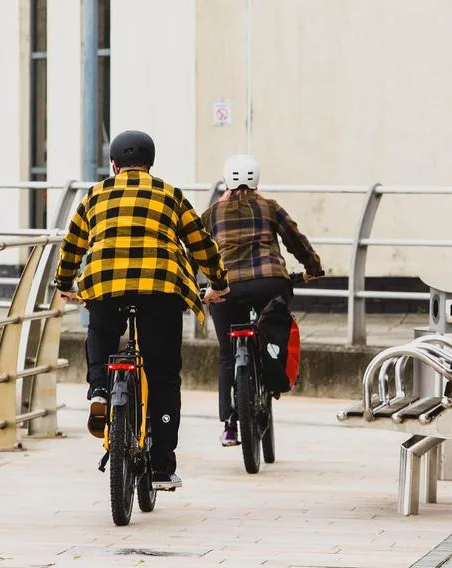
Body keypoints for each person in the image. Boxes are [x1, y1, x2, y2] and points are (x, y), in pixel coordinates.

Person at [55, 130, 230, 490]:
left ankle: (100, 390)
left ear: (113, 165)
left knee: (101, 333)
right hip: (161, 286)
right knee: (164, 373)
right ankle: (163, 466)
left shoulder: (95, 195)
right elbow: (201, 244)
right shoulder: (169, 193)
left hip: (105, 282)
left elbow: (72, 245)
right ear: (150, 164)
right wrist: (219, 281)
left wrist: (65, 284)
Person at [201, 154, 324, 447]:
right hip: (270, 281)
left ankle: (230, 424)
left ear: (225, 180)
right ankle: (271, 380)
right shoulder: (270, 207)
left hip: (227, 286)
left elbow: (198, 249)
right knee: (273, 333)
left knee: (227, 353)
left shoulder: (211, 214)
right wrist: (312, 268)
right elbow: (295, 239)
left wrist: (204, 285)